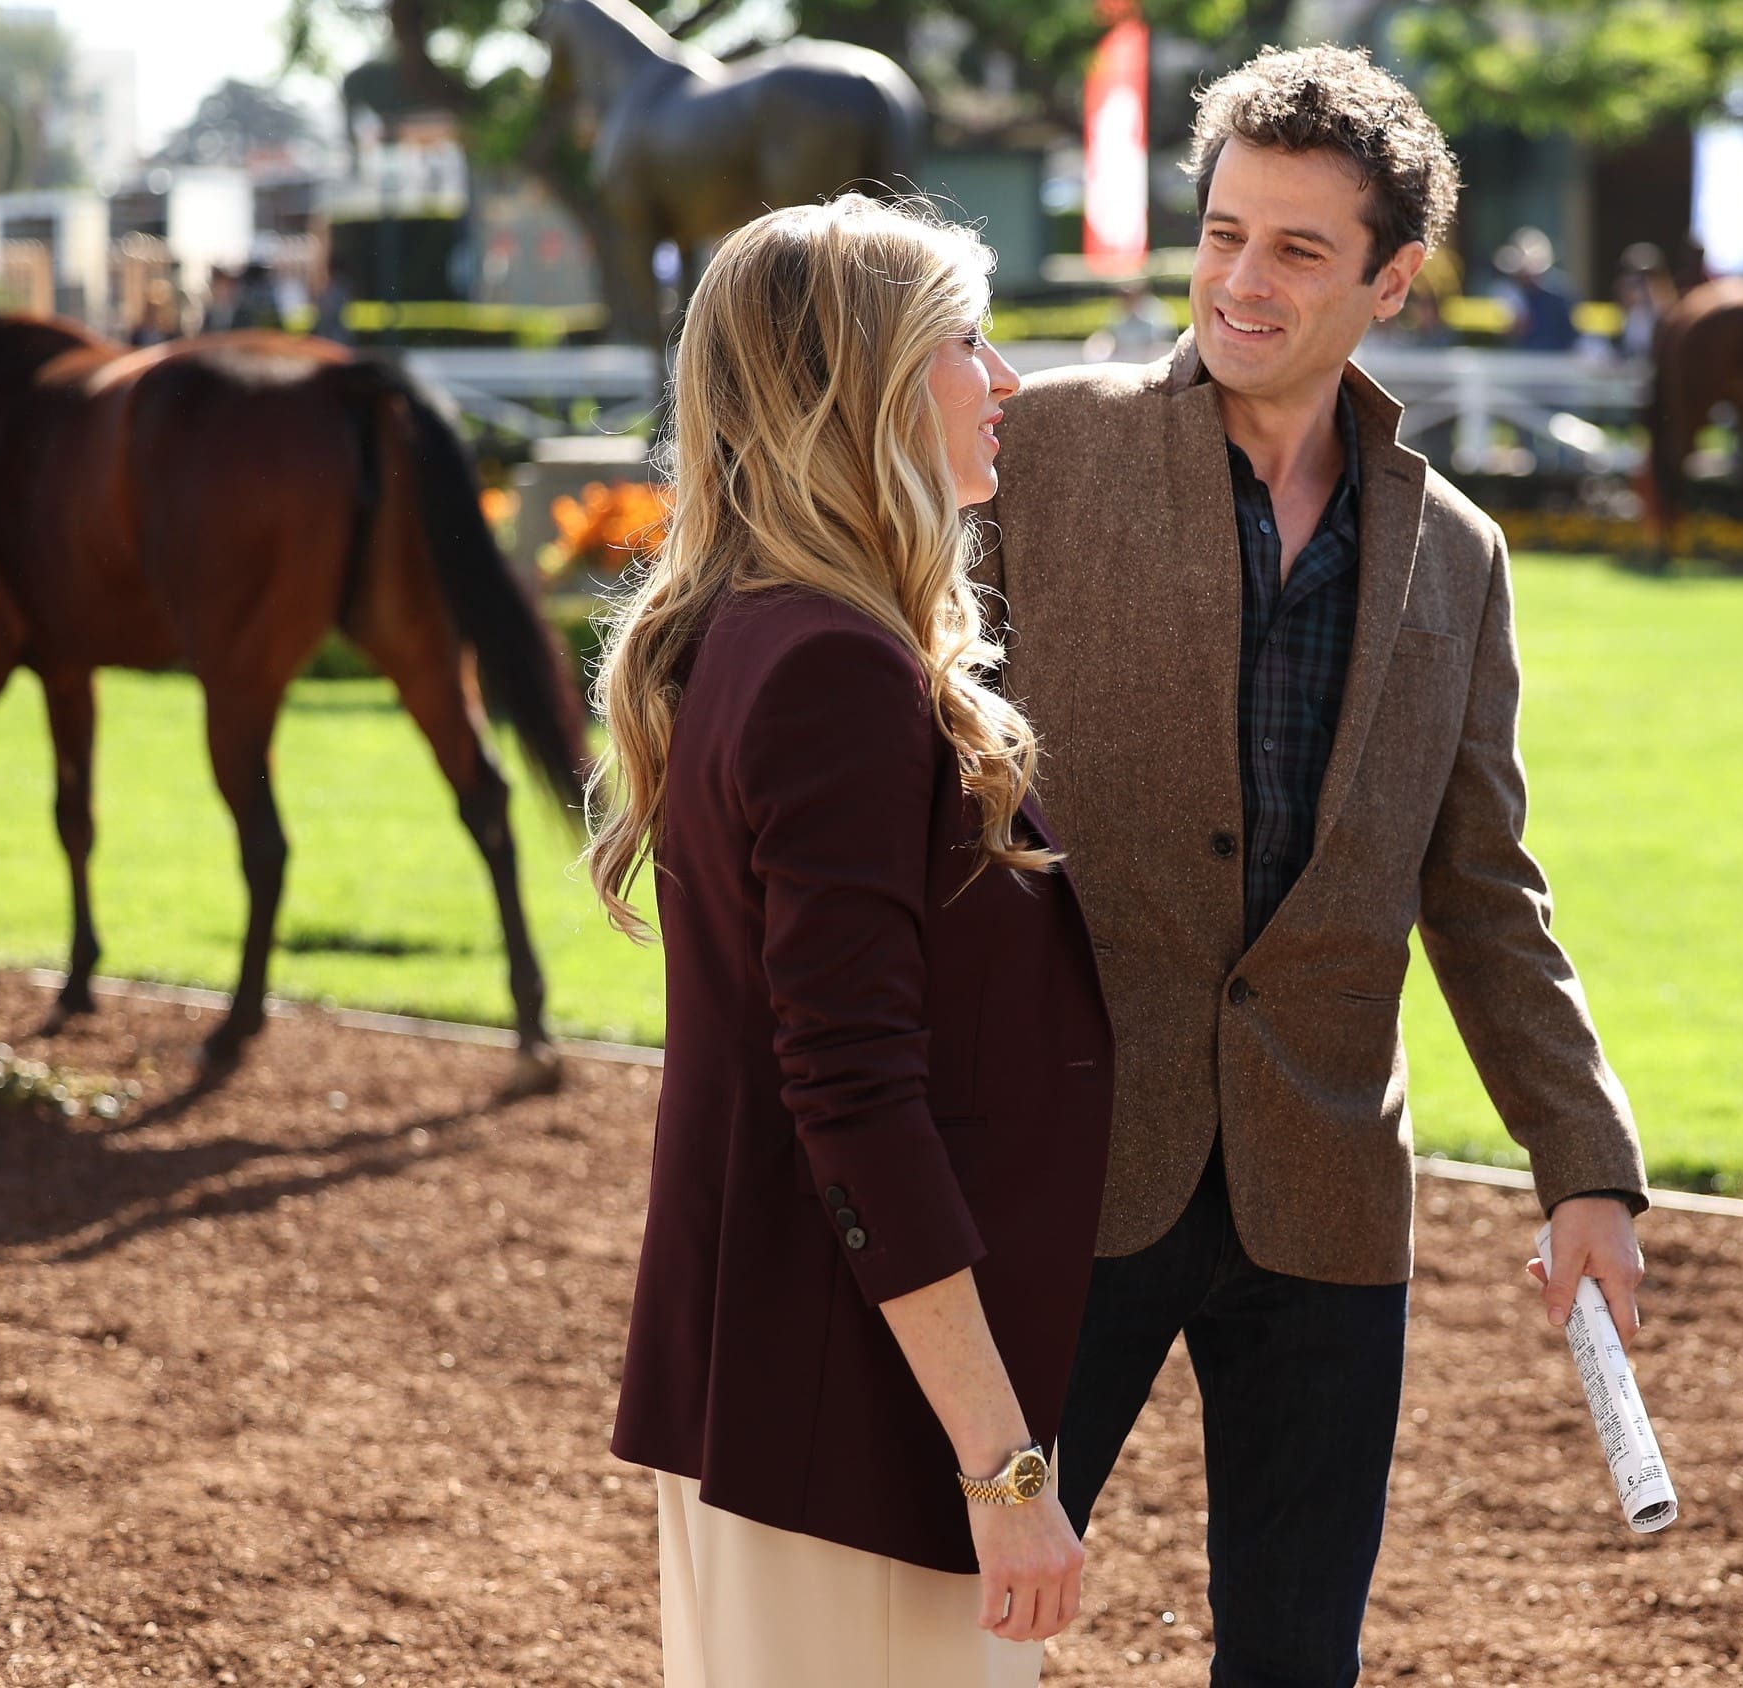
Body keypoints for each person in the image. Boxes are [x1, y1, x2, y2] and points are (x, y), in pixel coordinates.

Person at [978, 46, 1650, 1687]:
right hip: (1070, 1152)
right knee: (955, 1624)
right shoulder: (1040, 452)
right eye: (1222, 235)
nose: (1242, 282)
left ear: (1391, 280)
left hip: (1329, 1181)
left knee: (1298, 1659)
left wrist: (1584, 1158)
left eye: (1296, 249)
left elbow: (1483, 886)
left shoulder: (1455, 551)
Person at [588, 195, 1114, 1687]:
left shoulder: (765, 631)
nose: (1004, 378)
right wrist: (1005, 1470)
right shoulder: (832, 665)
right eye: (965, 340)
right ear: (860, 385)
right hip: (852, 1429)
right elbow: (855, 1095)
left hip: (795, 1393)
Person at [1492, 225, 1581, 352]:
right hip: (1523, 358)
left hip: (1556, 357)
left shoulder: (1560, 293)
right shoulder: (1510, 292)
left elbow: (1570, 335)